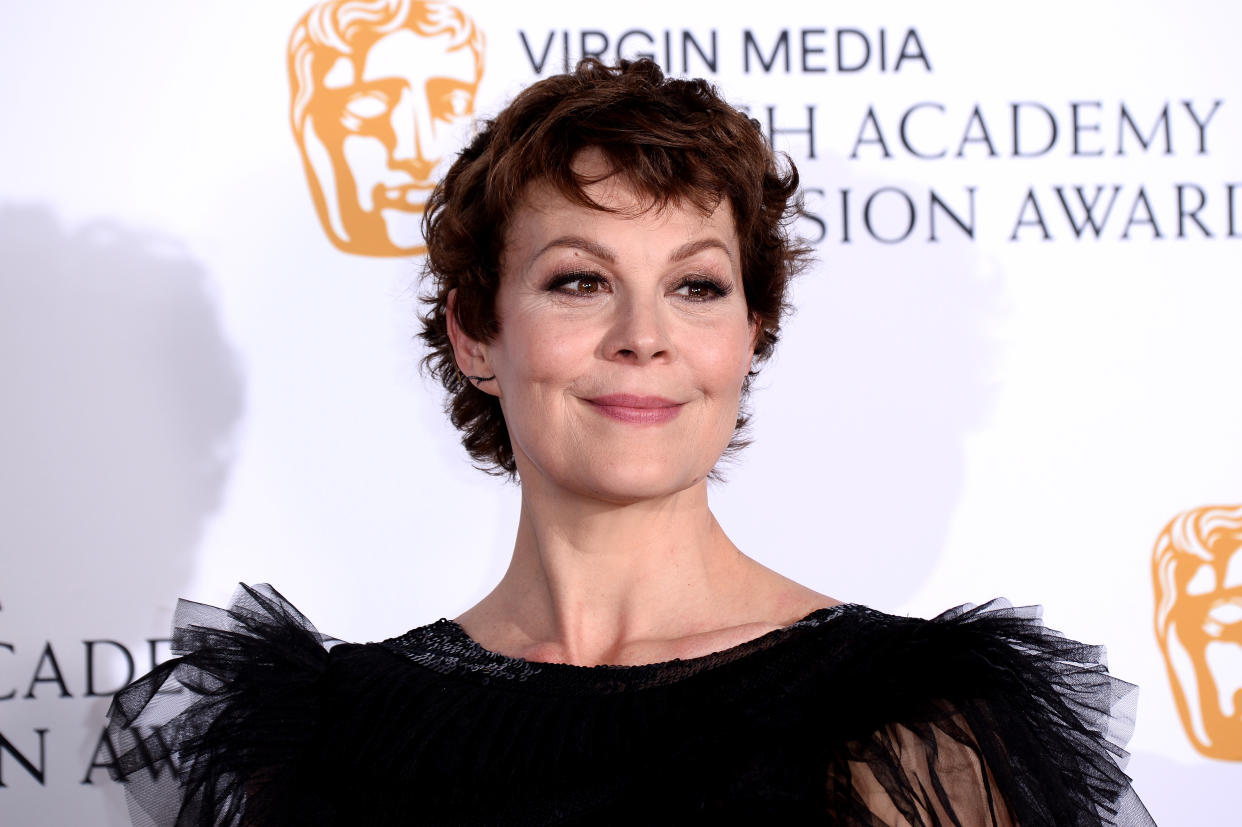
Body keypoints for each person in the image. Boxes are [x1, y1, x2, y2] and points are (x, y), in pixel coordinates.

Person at [108, 59, 1153, 826]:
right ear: (477, 329)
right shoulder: (322, 732)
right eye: (579, 280)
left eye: (695, 286)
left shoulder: (909, 719)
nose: (643, 336)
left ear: (750, 335)